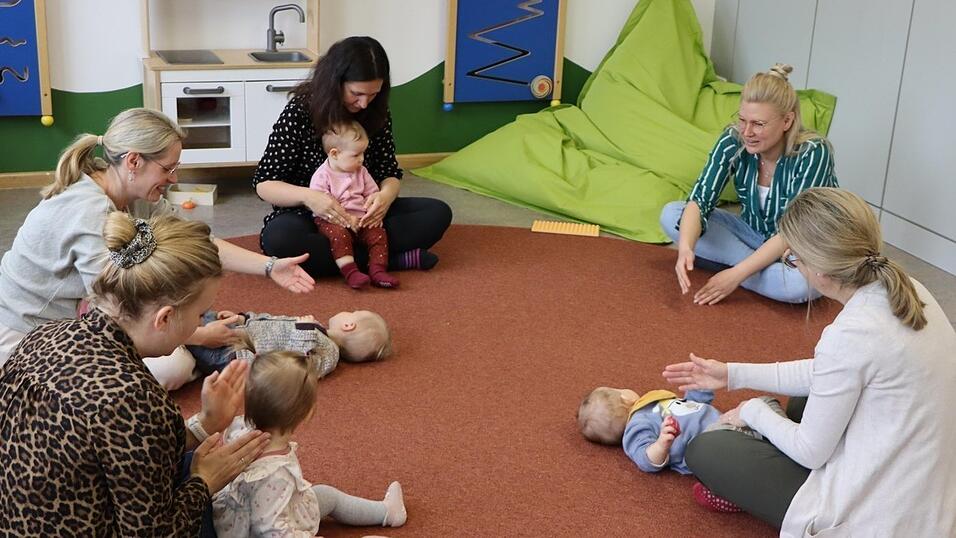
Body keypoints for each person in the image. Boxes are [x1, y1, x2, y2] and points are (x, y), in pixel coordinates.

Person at [662, 188, 956, 536]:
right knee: (805, 400)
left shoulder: (853, 333)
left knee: (708, 450)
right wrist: (730, 374)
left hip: (883, 516)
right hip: (926, 487)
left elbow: (810, 452)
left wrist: (754, 410)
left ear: (821, 271)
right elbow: (829, 372)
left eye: (793, 259)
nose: (794, 265)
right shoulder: (911, 288)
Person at [0, 213, 271, 535]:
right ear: (165, 318)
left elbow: (116, 449)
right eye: (199, 315)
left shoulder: (44, 335)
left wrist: (204, 425)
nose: (200, 324)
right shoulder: (134, 398)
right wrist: (205, 482)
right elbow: (156, 532)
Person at [0, 108, 315, 375]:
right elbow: (113, 315)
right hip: (25, 336)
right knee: (173, 363)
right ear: (134, 161)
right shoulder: (89, 212)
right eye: (168, 168)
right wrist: (199, 335)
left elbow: (200, 244)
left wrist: (270, 267)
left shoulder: (134, 192)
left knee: (180, 333)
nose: (174, 178)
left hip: (73, 318)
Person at [254, 36, 452, 278]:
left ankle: (347, 260)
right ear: (335, 83)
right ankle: (389, 260)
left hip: (362, 214)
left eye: (373, 94)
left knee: (437, 213)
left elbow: (389, 171)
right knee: (280, 239)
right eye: (356, 94)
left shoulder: (376, 111)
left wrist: (385, 197)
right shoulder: (301, 111)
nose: (365, 103)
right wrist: (310, 198)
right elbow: (265, 183)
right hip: (310, 217)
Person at [659, 63, 838, 305]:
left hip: (798, 246)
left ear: (787, 121)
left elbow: (791, 233)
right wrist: (685, 249)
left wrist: (736, 275)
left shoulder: (814, 152)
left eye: (758, 124)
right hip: (751, 236)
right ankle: (759, 272)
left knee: (802, 286)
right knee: (672, 215)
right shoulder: (732, 139)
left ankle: (736, 268)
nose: (747, 131)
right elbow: (699, 200)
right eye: (743, 120)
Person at [212, 349, 407, 536]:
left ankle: (386, 512)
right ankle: (385, 512)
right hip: (261, 531)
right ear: (306, 414)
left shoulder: (238, 428)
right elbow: (271, 530)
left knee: (322, 495)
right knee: (329, 497)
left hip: (232, 521)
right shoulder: (277, 474)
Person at [577, 386, 782, 477]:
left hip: (726, 423)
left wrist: (698, 388)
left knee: (759, 404)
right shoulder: (637, 426)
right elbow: (644, 459)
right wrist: (661, 444)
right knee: (750, 443)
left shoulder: (656, 403)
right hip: (713, 445)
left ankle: (781, 438)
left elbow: (691, 406)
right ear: (625, 398)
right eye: (620, 389)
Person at [310, 120, 399, 288]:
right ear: (334, 154)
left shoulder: (362, 171)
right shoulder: (322, 175)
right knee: (339, 237)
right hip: (333, 220)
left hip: (361, 218)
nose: (362, 159)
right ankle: (351, 273)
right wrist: (347, 219)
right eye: (356, 155)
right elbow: (325, 203)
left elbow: (371, 193)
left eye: (363, 153)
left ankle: (378, 270)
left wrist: (373, 209)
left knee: (378, 234)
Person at [186, 308, 392, 377]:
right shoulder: (315, 326)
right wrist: (243, 318)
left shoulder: (330, 352)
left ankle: (178, 340)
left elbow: (304, 367)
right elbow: (273, 321)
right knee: (203, 314)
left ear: (349, 325)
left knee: (196, 345)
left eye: (353, 312)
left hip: (238, 355)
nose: (349, 310)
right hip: (239, 332)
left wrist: (304, 332)